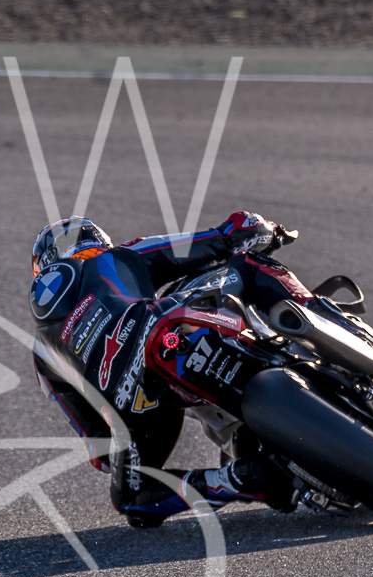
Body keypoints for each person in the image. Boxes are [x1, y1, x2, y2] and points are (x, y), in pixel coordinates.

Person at [29, 211, 305, 527]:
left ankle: (231, 480)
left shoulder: (42, 353)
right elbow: (217, 241)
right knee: (248, 264)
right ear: (97, 240)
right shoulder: (118, 256)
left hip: (133, 403)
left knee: (132, 498)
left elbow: (100, 452)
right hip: (164, 328)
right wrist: (263, 231)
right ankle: (319, 315)